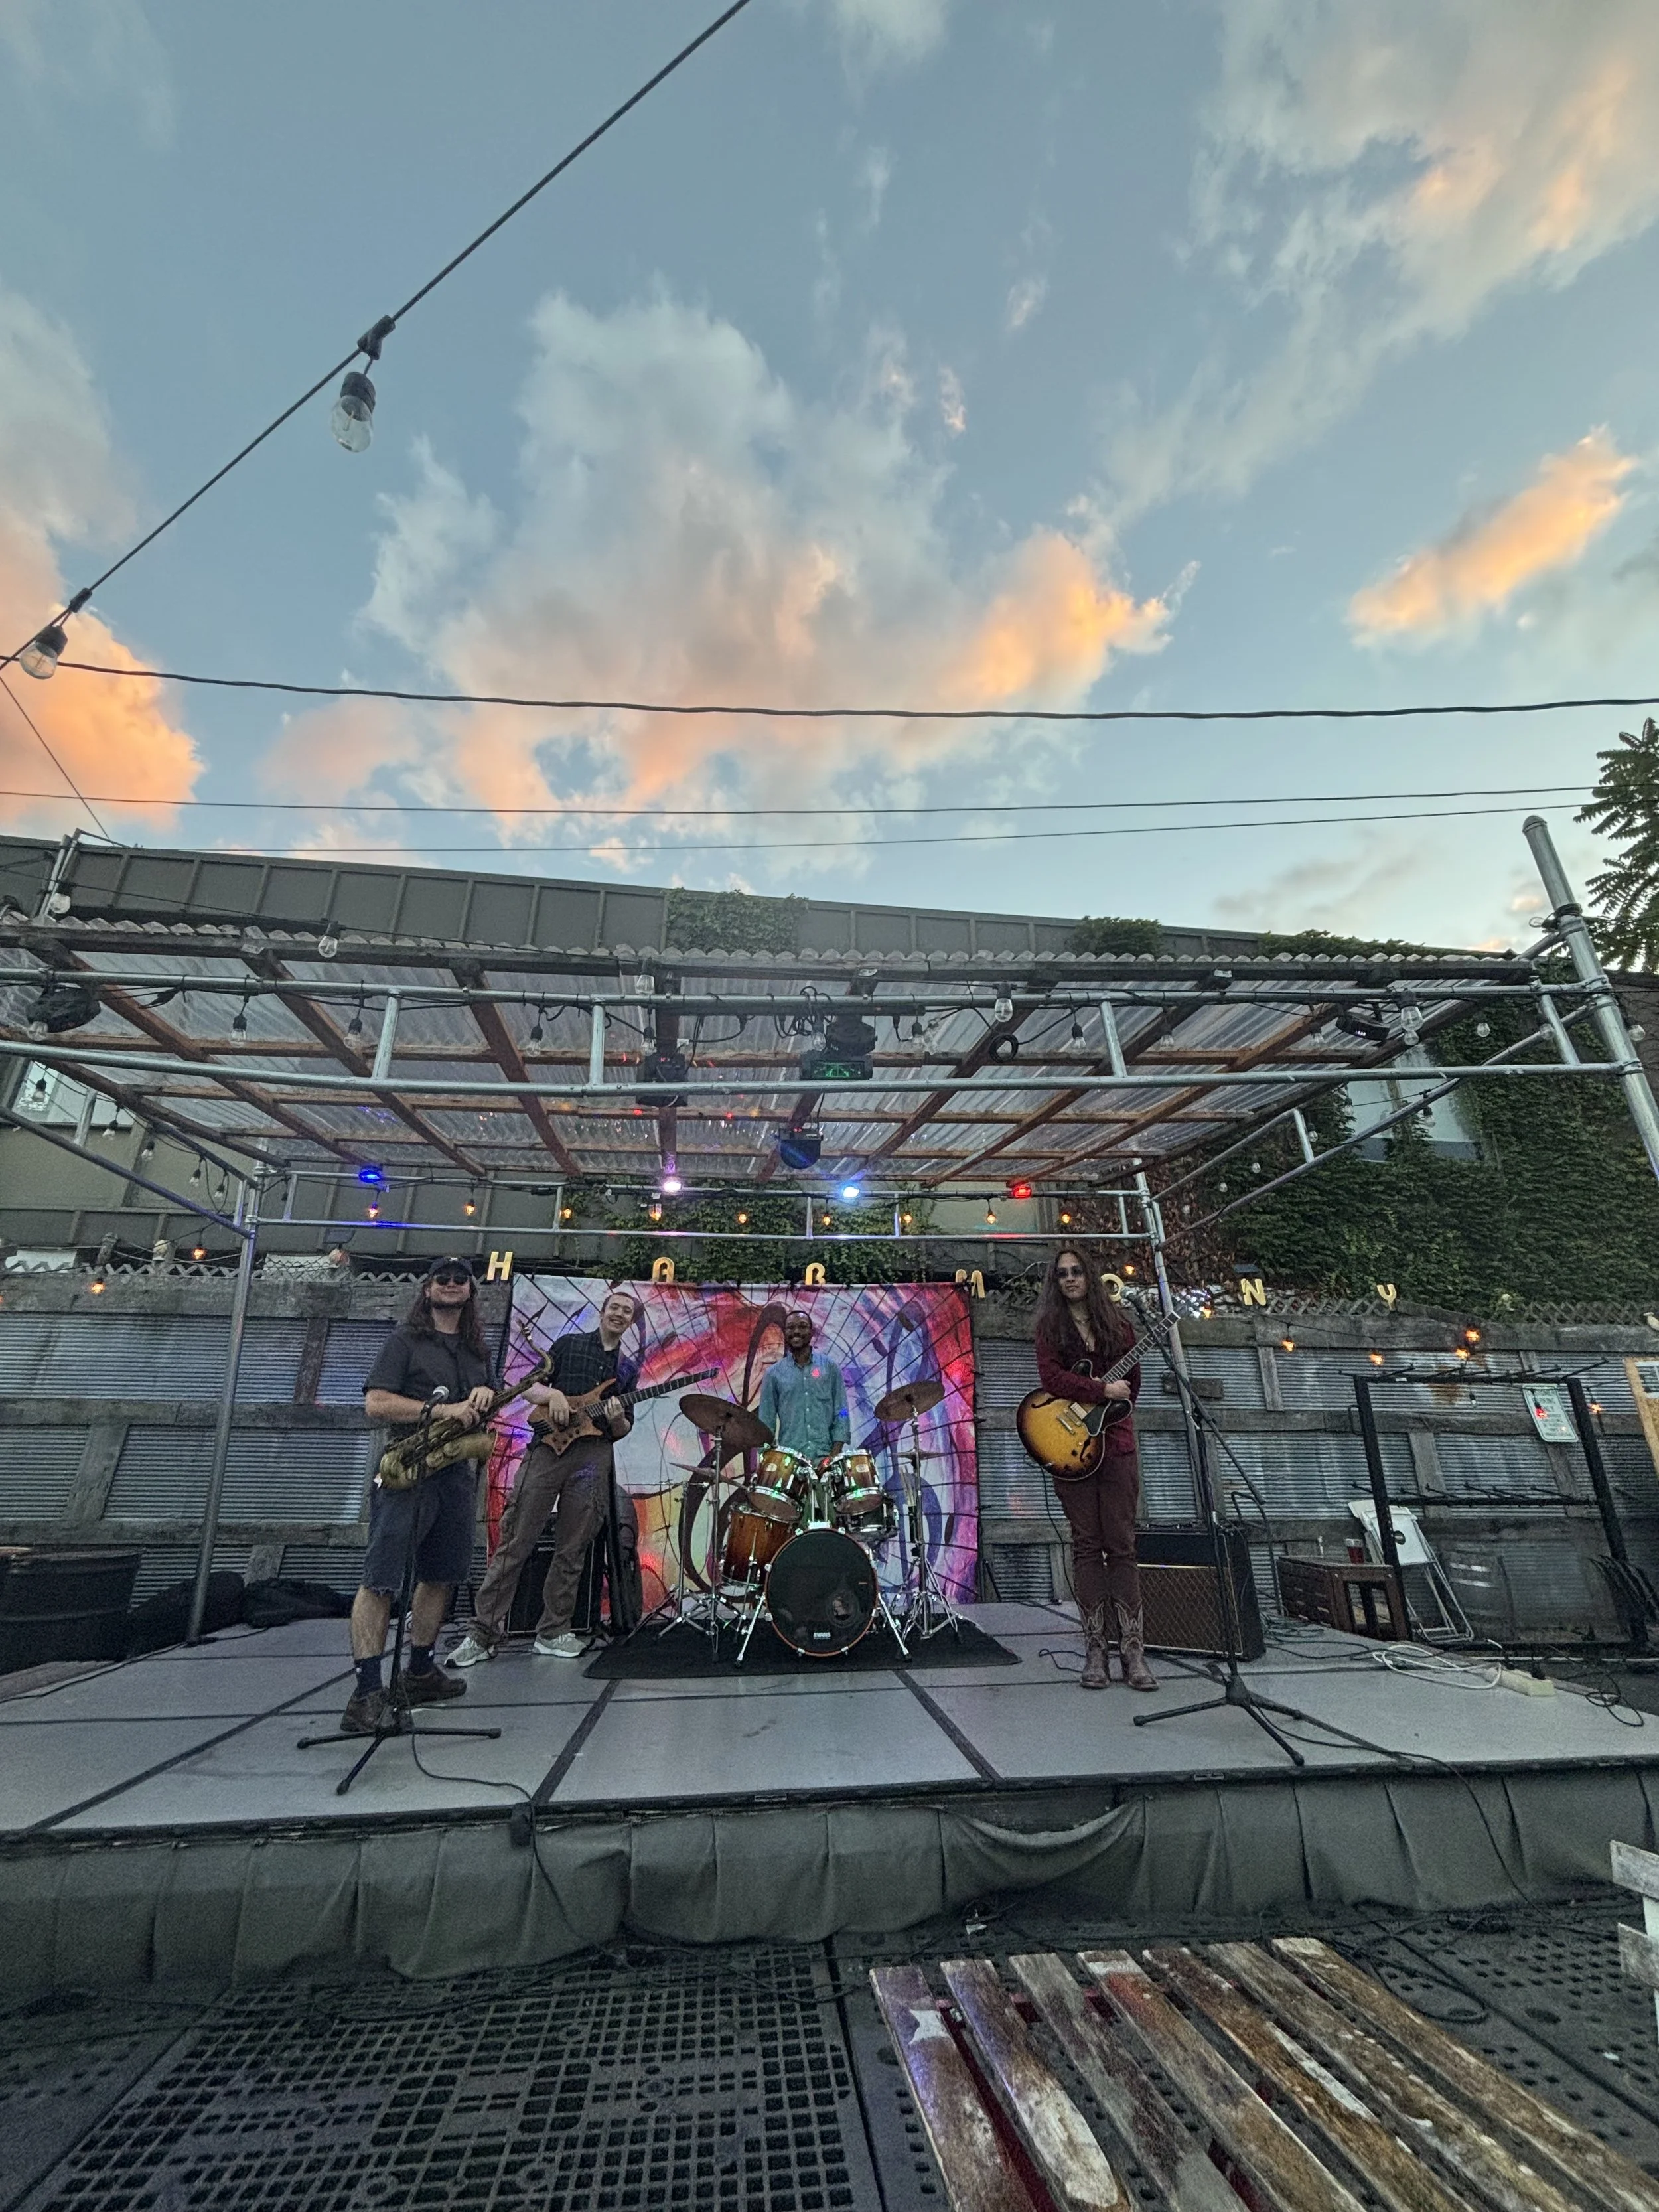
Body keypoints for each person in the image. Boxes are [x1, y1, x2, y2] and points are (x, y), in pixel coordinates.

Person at [449, 1286, 640, 1665]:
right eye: (614, 1308)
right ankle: (482, 1633)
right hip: (547, 1451)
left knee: (574, 1547)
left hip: (593, 1456)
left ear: (631, 1322)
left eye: (627, 1311)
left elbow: (622, 1430)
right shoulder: (569, 1345)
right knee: (516, 1539)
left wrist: (617, 1416)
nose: (619, 1314)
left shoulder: (628, 1368)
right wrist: (552, 1397)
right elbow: (530, 1387)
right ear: (602, 1313)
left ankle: (554, 1630)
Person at [346, 1256, 497, 1734]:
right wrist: (442, 1410)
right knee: (382, 1580)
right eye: (443, 1278)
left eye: (461, 1279)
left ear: (471, 1292)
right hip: (407, 1470)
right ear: (428, 1288)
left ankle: (421, 1670)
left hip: (454, 1474)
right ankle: (367, 1690)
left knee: (441, 1576)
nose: (452, 1285)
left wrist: (484, 1399)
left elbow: (481, 1405)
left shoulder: (476, 1350)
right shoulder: (404, 1341)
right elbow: (376, 1403)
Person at [1034, 1247, 1156, 1692]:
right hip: (1071, 1449)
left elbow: (1133, 1387)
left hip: (1117, 1444)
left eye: (1077, 1271)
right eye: (1062, 1273)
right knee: (1086, 1545)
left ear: (1090, 1276)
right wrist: (1099, 1389)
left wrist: (1108, 1407)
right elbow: (1052, 1380)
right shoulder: (1051, 1329)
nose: (1070, 1278)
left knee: (1122, 1545)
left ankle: (1133, 1650)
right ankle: (1095, 1650)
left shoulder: (1120, 1327)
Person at [757, 1309, 850, 1459]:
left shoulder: (830, 1368)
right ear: (785, 1333)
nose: (796, 1332)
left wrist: (834, 1454)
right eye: (791, 1327)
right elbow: (766, 1422)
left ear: (812, 1332)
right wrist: (769, 1458)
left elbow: (842, 1411)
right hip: (790, 1460)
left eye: (802, 1326)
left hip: (825, 1457)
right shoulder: (773, 1374)